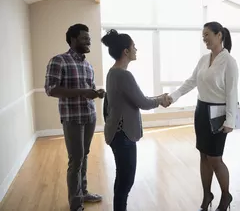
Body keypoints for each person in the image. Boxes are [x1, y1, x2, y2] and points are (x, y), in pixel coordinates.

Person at [168, 21, 239, 211]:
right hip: (201, 111)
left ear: (219, 36)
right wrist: (173, 96)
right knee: (203, 156)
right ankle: (207, 195)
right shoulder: (203, 59)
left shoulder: (229, 62)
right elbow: (191, 82)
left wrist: (230, 120)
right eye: (203, 36)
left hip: (218, 114)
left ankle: (226, 196)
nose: (204, 38)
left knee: (215, 158)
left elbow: (232, 93)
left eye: (207, 34)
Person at [101, 29, 170, 211]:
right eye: (134, 47)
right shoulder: (123, 75)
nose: (136, 50)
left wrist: (158, 97)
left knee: (122, 178)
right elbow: (143, 102)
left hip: (117, 132)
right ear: (126, 51)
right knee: (126, 181)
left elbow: (135, 98)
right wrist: (160, 100)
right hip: (123, 134)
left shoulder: (113, 72)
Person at [44, 23, 105, 211]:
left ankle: (83, 192)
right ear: (73, 39)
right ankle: (75, 202)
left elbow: (88, 89)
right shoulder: (58, 60)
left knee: (84, 156)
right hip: (72, 117)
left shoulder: (87, 65)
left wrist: (96, 92)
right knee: (76, 159)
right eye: (85, 38)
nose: (89, 41)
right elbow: (51, 89)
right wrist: (82, 92)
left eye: (89, 38)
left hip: (89, 116)